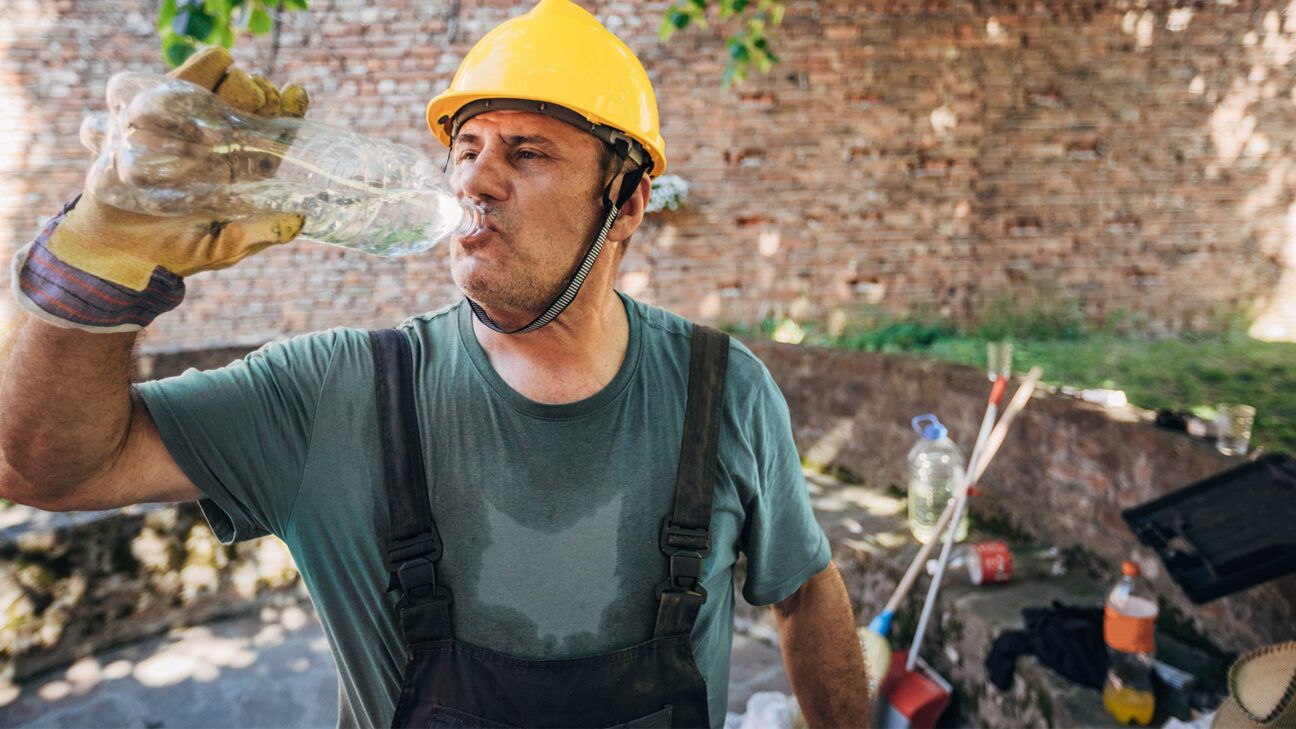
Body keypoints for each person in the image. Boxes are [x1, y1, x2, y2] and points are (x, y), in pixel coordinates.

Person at [0, 1, 871, 726]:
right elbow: (38, 465)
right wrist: (94, 264)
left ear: (629, 201)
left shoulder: (726, 390)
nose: (478, 182)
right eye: (467, 148)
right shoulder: (334, 393)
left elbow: (805, 589)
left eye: (528, 153)